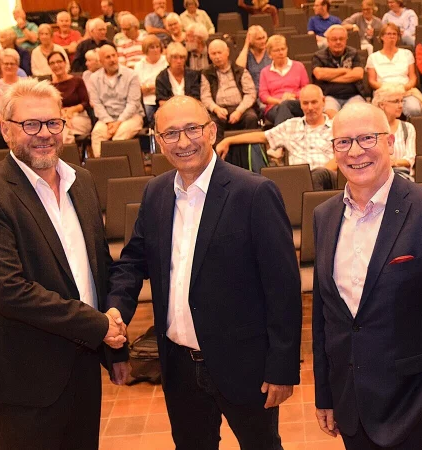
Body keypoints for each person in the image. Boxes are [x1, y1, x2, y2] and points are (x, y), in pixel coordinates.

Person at [106, 95, 301, 449]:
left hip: (245, 366)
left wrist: (282, 367)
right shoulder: (155, 193)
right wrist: (116, 309)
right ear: (158, 140)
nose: (183, 142)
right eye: (171, 133)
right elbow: (134, 261)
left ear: (211, 130)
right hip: (179, 366)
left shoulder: (254, 193)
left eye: (192, 129)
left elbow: (283, 288)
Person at [0, 78, 125, 449]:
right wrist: (98, 325)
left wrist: (114, 344)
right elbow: (10, 292)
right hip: (24, 374)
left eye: (53, 123)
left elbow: (97, 267)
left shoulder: (80, 180)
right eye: (30, 125)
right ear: (5, 129)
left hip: (82, 363)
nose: (44, 134)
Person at [312, 102, 422, 448]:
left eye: (367, 138)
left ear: (390, 142)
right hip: (352, 407)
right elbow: (325, 317)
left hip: (416, 407)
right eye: (343, 142)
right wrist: (326, 393)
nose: (355, 151)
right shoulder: (324, 216)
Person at [216, 85, 338, 190]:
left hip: (329, 179)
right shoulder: (291, 125)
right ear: (300, 104)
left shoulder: (336, 127)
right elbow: (261, 137)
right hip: (296, 182)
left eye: (314, 102)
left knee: (319, 175)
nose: (310, 107)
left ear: (323, 101)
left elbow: (341, 158)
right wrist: (228, 140)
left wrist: (313, 176)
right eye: (305, 103)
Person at [89, 45, 144, 157]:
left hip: (131, 116)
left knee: (120, 134)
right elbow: (97, 104)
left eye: (114, 55)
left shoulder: (131, 75)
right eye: (108, 57)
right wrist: (109, 122)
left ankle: (117, 169)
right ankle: (103, 168)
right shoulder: (94, 78)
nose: (112, 59)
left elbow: (133, 103)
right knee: (97, 133)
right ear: (101, 61)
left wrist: (118, 122)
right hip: (107, 119)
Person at [200, 39, 258, 142]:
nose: (217, 57)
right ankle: (218, 155)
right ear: (209, 55)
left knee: (251, 118)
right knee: (211, 123)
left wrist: (239, 111)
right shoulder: (206, 73)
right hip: (219, 110)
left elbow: (250, 93)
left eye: (219, 52)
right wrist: (216, 109)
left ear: (227, 52)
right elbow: (205, 97)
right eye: (213, 54)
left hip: (240, 108)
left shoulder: (240, 71)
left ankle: (249, 153)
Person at [367, 23, 422, 118]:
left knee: (414, 109)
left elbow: (413, 77)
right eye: (389, 34)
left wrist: (404, 87)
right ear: (382, 37)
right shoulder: (373, 57)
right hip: (384, 92)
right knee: (381, 113)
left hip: (405, 91)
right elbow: (372, 81)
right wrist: (389, 89)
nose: (392, 36)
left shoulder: (407, 54)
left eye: (395, 34)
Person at [312, 25, 366, 118]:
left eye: (341, 39)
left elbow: (358, 74)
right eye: (334, 39)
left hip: (353, 95)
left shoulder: (353, 53)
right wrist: (344, 70)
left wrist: (329, 77)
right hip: (329, 96)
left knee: (355, 116)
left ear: (346, 40)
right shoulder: (318, 56)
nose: (338, 42)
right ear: (328, 41)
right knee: (331, 116)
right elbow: (319, 74)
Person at [259, 35, 309, 126]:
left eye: (283, 49)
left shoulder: (299, 66)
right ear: (270, 54)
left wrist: (293, 95)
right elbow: (263, 95)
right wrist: (279, 101)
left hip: (296, 103)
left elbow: (306, 89)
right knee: (284, 108)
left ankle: (279, 138)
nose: (281, 52)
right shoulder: (265, 72)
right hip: (274, 107)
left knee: (287, 106)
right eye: (277, 50)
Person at [372, 84, 415, 178]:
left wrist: (394, 162)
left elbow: (410, 159)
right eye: (396, 101)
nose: (400, 105)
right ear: (381, 104)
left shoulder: (408, 128)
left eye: (401, 101)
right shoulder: (370, 129)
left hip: (402, 176)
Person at [48, 50, 91, 144]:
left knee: (60, 131)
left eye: (59, 62)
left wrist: (71, 110)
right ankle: (72, 156)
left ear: (65, 63)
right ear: (49, 66)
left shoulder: (78, 81)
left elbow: (85, 102)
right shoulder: (49, 87)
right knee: (63, 131)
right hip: (60, 119)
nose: (56, 65)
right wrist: (63, 116)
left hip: (80, 117)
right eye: (52, 63)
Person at [0, 48, 22, 149]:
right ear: (1, 65)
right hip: (0, 122)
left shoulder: (25, 83)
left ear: (17, 66)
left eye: (12, 63)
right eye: (5, 63)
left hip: (22, 120)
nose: (9, 66)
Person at [134, 35, 167, 125]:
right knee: (148, 116)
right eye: (152, 47)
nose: (156, 50)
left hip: (164, 99)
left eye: (157, 47)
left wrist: (148, 87)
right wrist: (156, 87)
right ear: (145, 50)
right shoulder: (139, 65)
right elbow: (139, 89)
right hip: (147, 100)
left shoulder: (166, 62)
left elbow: (166, 87)